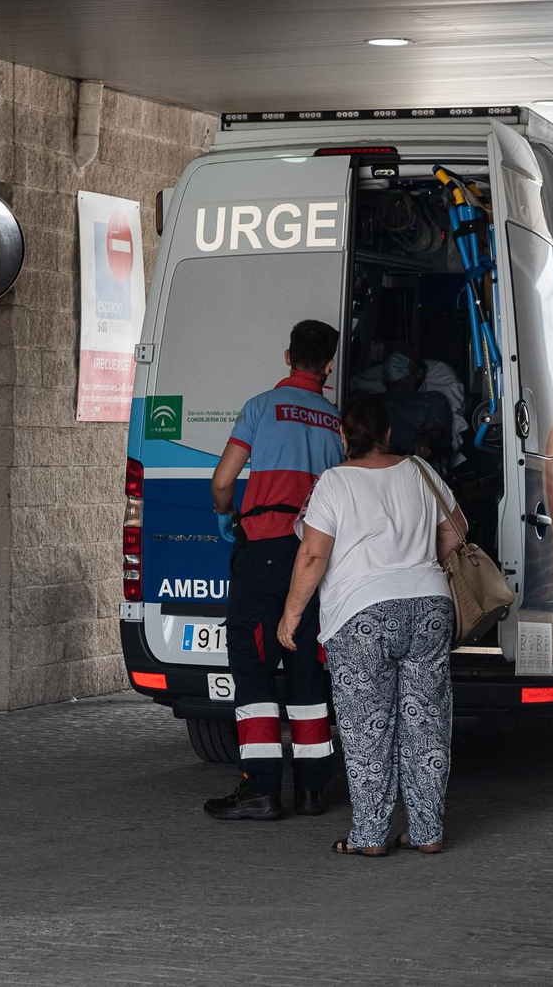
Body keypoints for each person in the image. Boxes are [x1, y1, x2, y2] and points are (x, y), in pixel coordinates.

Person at [277, 394, 465, 855]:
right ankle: (426, 832)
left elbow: (313, 554)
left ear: (344, 435)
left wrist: (292, 614)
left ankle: (370, 836)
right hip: (429, 609)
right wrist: (417, 567)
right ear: (388, 433)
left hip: (362, 615)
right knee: (427, 723)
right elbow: (457, 531)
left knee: (368, 728)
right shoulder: (420, 471)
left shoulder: (333, 483)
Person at [204, 319, 344, 821]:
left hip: (263, 551)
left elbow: (223, 481)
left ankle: (260, 788)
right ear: (329, 365)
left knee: (253, 665)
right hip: (315, 555)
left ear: (288, 357)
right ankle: (311, 790)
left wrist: (226, 514)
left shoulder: (261, 407)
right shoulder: (337, 421)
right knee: (307, 669)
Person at [353, 352, 467, 462]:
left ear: (418, 373)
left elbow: (437, 429)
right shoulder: (369, 401)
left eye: (404, 358)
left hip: (408, 461)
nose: (394, 361)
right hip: (370, 459)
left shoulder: (432, 400)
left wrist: (425, 438)